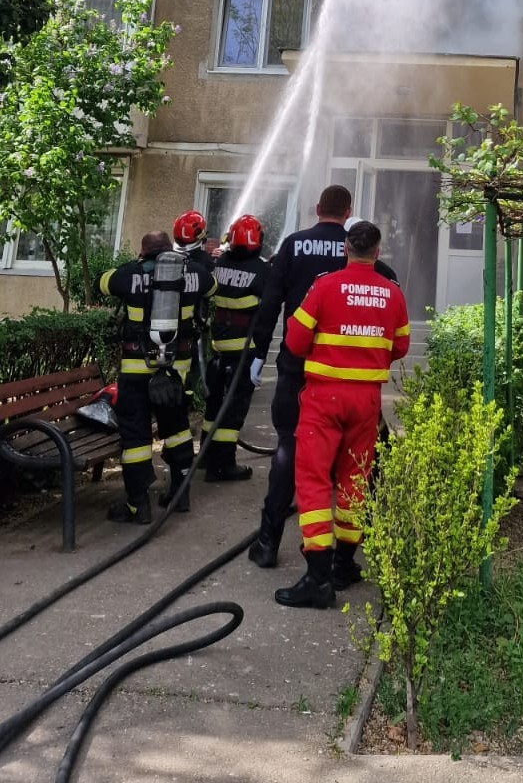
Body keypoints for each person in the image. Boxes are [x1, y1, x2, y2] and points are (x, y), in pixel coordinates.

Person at [247, 185, 398, 567]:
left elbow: (268, 305)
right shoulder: (369, 263)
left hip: (298, 371)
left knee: (289, 452)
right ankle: (345, 557)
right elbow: (388, 300)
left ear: (317, 208)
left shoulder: (294, 245)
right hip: (352, 382)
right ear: (349, 213)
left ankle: (267, 542)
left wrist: (256, 354)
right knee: (353, 467)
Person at [275, 220, 409, 608]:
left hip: (323, 399)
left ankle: (317, 579)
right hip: (366, 401)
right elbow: (400, 347)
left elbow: (295, 341)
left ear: (345, 249)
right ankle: (344, 564)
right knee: (355, 480)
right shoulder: (392, 293)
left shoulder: (324, 286)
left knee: (314, 481)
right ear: (378, 252)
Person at [98, 231, 214, 523]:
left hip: (136, 370)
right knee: (176, 430)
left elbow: (101, 283)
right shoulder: (195, 273)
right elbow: (213, 288)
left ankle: (138, 506)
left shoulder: (129, 274)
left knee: (136, 438)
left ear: (143, 251)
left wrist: (132, 269)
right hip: (176, 369)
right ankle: (180, 493)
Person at [199, 213, 271, 483]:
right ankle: (223, 465)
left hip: (217, 347)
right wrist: (261, 355)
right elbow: (267, 315)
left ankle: (206, 456)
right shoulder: (263, 271)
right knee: (234, 408)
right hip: (244, 350)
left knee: (213, 403)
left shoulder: (218, 263)